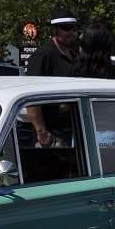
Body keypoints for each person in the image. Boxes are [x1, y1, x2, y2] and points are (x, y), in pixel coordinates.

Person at [27, 9, 81, 147]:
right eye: (66, 28)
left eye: (74, 29)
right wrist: (41, 131)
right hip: (51, 135)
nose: (71, 33)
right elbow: (31, 97)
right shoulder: (43, 56)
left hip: (73, 131)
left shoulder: (75, 56)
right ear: (55, 30)